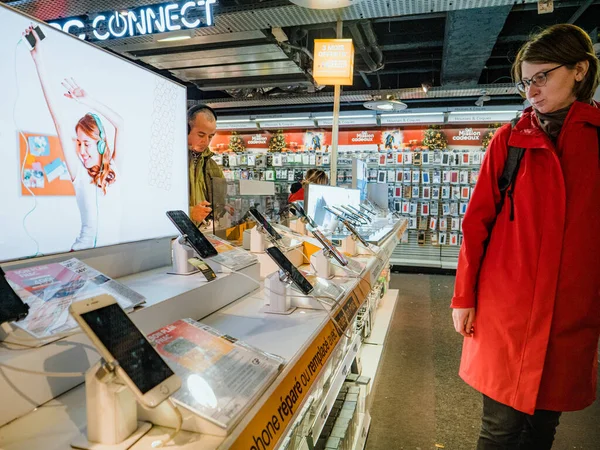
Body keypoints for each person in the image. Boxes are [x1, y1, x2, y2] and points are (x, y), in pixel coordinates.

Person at [451, 24, 600, 449]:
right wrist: (464, 296)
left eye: (541, 77)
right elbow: (475, 224)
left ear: (579, 70)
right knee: (499, 428)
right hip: (507, 311)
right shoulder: (510, 140)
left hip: (569, 313)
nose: (530, 90)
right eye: (525, 81)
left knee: (541, 428)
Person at [26, 25, 123, 251]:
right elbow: (58, 120)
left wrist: (88, 100)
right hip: (82, 257)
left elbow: (120, 123)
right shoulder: (79, 174)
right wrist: (39, 61)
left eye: (87, 143)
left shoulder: (116, 170)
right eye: (78, 143)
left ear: (100, 144)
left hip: (113, 258)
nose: (81, 150)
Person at [187, 104, 224, 224]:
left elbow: (220, 200)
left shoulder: (211, 164)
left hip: (199, 233)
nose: (206, 141)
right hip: (173, 237)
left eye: (211, 136)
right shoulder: (172, 162)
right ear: (185, 130)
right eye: (201, 135)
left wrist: (223, 208)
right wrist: (189, 213)